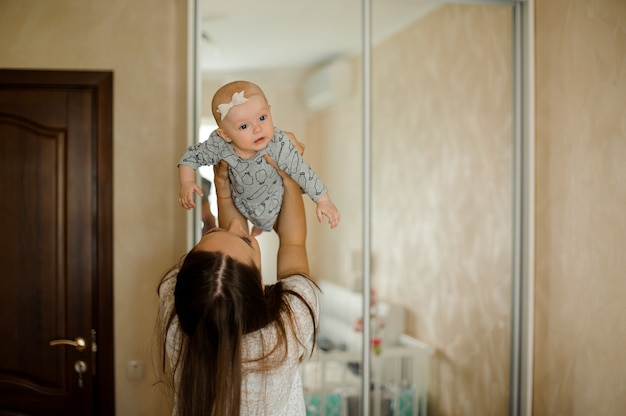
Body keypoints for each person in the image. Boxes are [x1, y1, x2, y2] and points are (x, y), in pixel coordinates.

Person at [157, 154, 320, 415]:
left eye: (216, 231)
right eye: (245, 240)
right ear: (261, 287)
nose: (234, 223)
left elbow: (225, 278)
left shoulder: (176, 321)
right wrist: (290, 177)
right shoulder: (287, 330)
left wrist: (224, 190)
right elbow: (293, 244)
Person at [178, 80, 340, 233]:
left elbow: (303, 171)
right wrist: (187, 182)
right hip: (242, 204)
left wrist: (323, 200)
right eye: (244, 126)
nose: (257, 129)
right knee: (236, 230)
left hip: (275, 199)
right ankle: (257, 224)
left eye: (262, 118)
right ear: (225, 135)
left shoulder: (278, 142)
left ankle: (263, 224)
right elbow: (191, 156)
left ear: (269, 110)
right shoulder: (219, 145)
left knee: (289, 226)